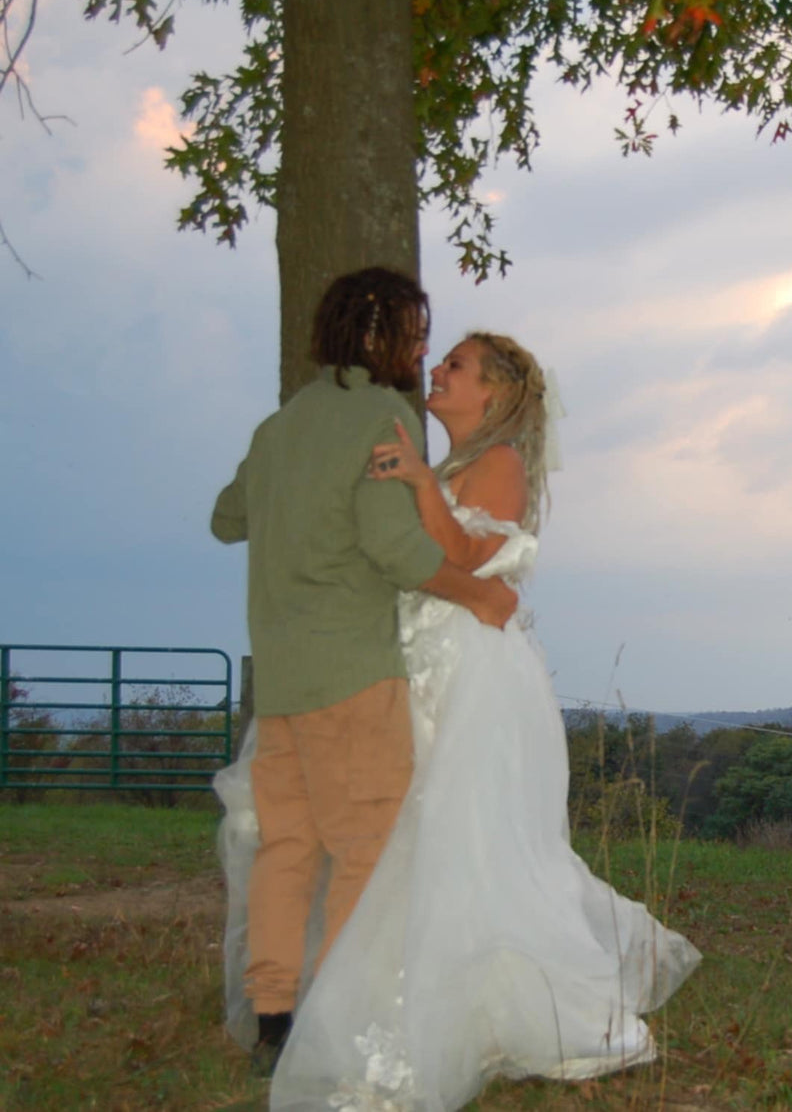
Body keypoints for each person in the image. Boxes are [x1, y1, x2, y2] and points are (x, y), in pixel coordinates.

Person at [219, 331, 700, 1111]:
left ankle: (437, 992)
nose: (436, 372)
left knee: (446, 826)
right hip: (407, 650)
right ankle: (351, 985)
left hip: (463, 662)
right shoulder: (441, 462)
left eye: (456, 366)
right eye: (439, 360)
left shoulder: (500, 463)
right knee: (391, 825)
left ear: (496, 392)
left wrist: (417, 486)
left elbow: (472, 559)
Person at [210, 269, 518, 1074]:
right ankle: (335, 1019)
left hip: (280, 684)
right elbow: (396, 550)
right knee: (367, 853)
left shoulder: (279, 428)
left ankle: (273, 1015)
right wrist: (476, 593)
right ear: (381, 334)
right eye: (417, 332)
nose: (422, 350)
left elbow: (225, 517)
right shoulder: (380, 418)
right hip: (353, 674)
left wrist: (290, 496)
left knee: (288, 848)